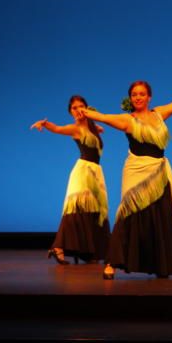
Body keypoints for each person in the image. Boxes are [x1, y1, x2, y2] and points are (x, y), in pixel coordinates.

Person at [83, 81, 172, 279]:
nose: (138, 97)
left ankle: (161, 265)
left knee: (160, 216)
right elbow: (104, 117)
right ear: (130, 98)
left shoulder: (159, 114)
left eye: (142, 94)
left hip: (159, 171)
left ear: (149, 97)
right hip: (136, 170)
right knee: (128, 215)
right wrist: (85, 112)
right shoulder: (128, 120)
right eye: (134, 94)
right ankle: (111, 263)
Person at [31, 95, 110, 265]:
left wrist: (97, 127)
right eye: (74, 108)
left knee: (93, 211)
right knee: (77, 210)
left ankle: (91, 252)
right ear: (71, 112)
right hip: (83, 172)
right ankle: (58, 247)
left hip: (96, 173)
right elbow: (59, 129)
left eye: (81, 106)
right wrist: (45, 124)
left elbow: (95, 133)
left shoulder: (92, 127)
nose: (78, 109)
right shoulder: (75, 129)